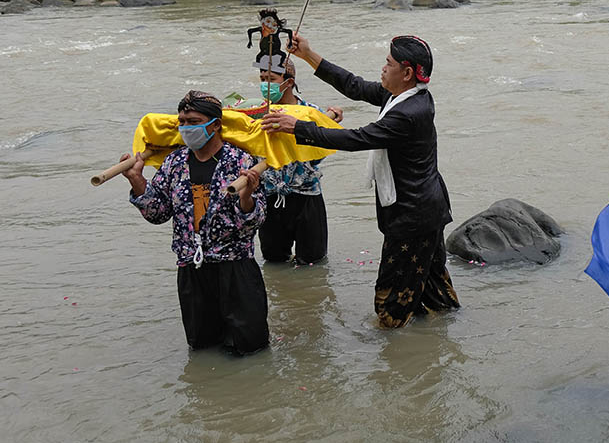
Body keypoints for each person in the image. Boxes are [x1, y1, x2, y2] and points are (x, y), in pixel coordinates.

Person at [260, 34, 459, 329]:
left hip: (413, 216)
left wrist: (298, 126)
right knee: (432, 288)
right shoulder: (402, 96)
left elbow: (358, 138)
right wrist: (309, 55)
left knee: (391, 301)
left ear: (406, 73)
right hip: (425, 209)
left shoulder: (408, 113)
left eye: (388, 63)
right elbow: (354, 86)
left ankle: (394, 356)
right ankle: (443, 337)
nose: (382, 68)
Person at [121, 91, 269, 354]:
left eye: (193, 121)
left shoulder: (241, 162)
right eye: (182, 122)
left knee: (250, 350)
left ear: (215, 126)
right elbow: (158, 213)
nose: (187, 128)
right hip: (192, 268)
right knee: (201, 349)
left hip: (235, 268)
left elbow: (254, 222)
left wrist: (246, 198)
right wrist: (137, 181)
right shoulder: (175, 163)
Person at [254, 52, 343, 265]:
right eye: (262, 80)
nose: (266, 85)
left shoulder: (311, 113)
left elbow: (327, 144)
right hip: (269, 195)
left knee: (313, 263)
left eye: (271, 80)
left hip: (307, 194)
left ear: (289, 82)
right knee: (273, 261)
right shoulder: (255, 114)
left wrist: (332, 119)